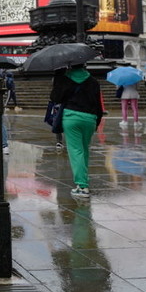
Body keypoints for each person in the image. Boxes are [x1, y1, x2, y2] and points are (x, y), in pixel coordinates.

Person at [50, 64, 103, 198]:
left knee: (76, 151)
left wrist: (58, 76)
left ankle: (82, 186)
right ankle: (84, 181)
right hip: (90, 118)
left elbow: (55, 98)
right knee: (84, 150)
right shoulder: (93, 81)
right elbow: (98, 104)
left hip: (71, 117)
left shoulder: (65, 79)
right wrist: (97, 121)